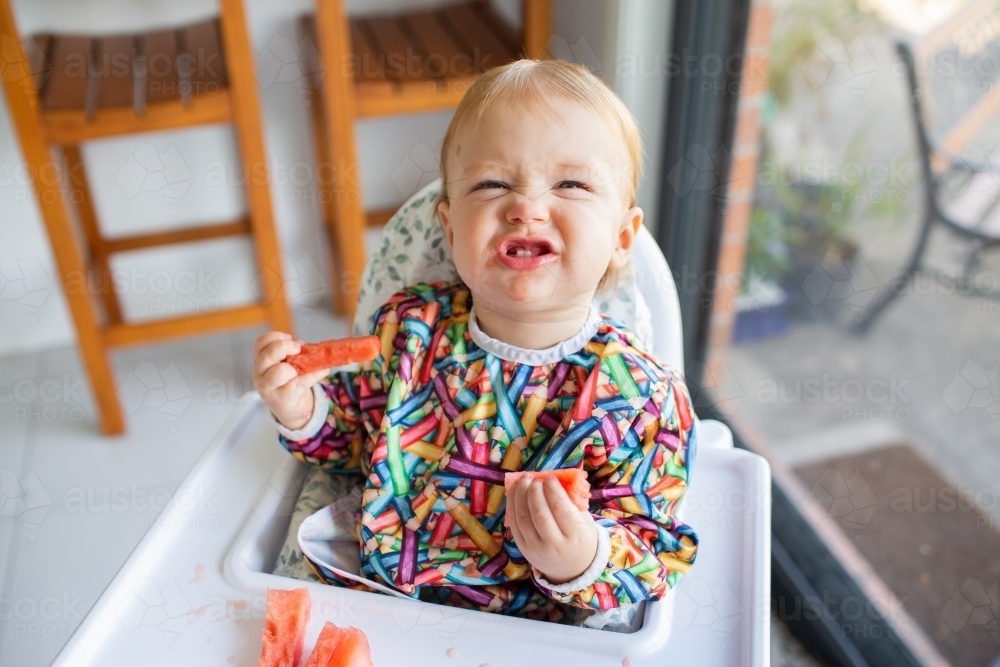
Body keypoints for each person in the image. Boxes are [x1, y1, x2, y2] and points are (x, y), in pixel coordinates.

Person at [252, 59, 698, 624]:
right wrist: (301, 408)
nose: (526, 207)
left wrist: (582, 557)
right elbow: (351, 446)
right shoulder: (408, 332)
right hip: (382, 605)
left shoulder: (640, 398)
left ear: (621, 238)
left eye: (571, 184)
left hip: (533, 631)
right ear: (450, 228)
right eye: (491, 184)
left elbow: (655, 550)